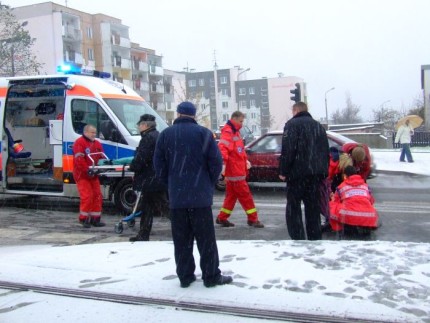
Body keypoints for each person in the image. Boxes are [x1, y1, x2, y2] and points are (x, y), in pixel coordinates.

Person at [154, 101, 233, 288]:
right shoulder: (204, 134)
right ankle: (211, 275)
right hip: (200, 198)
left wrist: (171, 183)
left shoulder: (165, 135)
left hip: (177, 198)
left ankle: (185, 276)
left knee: (181, 240)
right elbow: (216, 163)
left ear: (178, 114)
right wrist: (208, 183)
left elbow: (158, 166)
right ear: (193, 115)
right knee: (206, 240)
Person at [279, 102, 329, 240]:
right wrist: (323, 172)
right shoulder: (318, 126)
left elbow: (288, 150)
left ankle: (297, 236)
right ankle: (314, 236)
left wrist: (283, 171)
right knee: (313, 207)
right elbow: (325, 150)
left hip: (297, 174)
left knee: (293, 207)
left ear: (295, 110)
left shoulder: (291, 125)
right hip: (314, 175)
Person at [216, 111, 264, 228]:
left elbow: (238, 151)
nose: (242, 124)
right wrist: (223, 165)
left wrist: (245, 161)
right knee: (245, 196)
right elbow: (223, 149)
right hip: (235, 171)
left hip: (236, 170)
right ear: (234, 119)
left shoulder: (234, 131)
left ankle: (222, 218)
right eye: (241, 121)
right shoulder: (229, 131)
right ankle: (253, 219)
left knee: (231, 197)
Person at [128, 114, 168, 242]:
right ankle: (143, 234)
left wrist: (133, 166)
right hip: (157, 177)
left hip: (150, 179)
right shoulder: (158, 135)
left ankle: (185, 227)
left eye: (139, 125)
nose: (139, 127)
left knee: (163, 206)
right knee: (148, 207)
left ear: (145, 125)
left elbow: (142, 158)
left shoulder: (147, 138)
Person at [73, 124, 105, 228]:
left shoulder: (97, 144)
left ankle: (95, 219)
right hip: (82, 175)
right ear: (85, 132)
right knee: (87, 196)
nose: (94, 134)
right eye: (92, 132)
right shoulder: (79, 143)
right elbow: (79, 160)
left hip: (93, 173)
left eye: (95, 133)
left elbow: (101, 157)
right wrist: (87, 170)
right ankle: (84, 219)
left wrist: (102, 167)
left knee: (97, 195)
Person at [329, 166, 378, 233]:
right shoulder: (365, 186)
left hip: (348, 216)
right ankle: (366, 225)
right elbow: (371, 201)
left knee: (332, 205)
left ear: (345, 175)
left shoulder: (341, 186)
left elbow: (336, 201)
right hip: (369, 216)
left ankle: (340, 227)